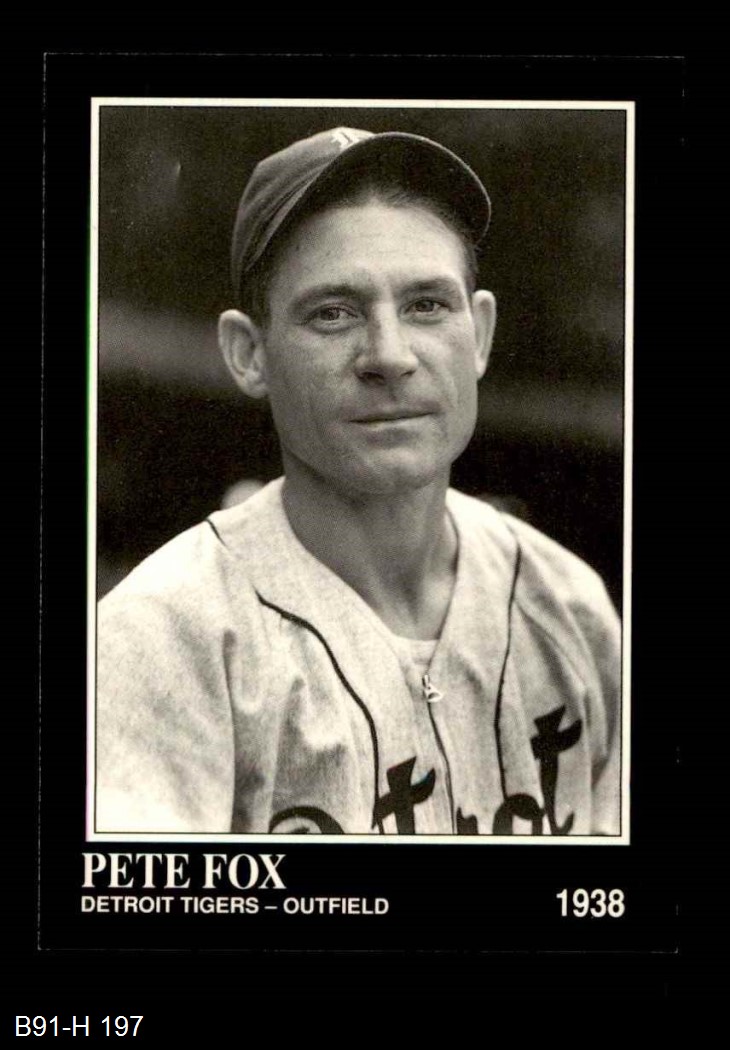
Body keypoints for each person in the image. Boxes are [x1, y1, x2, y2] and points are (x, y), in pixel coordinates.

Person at [96, 126, 621, 836]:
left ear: (481, 334)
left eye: (426, 305)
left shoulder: (571, 610)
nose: (389, 356)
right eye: (333, 314)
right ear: (248, 354)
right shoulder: (161, 642)